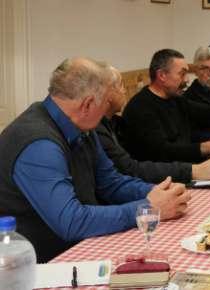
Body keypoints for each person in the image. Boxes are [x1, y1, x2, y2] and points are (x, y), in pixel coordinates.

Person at [0, 57, 191, 262]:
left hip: (81, 247)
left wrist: (156, 193)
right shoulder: (38, 143)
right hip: (37, 265)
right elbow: (71, 222)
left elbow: (111, 183)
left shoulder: (81, 125)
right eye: (106, 102)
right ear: (88, 104)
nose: (105, 114)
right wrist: (148, 207)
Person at [122, 49, 210, 163]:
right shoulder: (140, 108)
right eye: (182, 74)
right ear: (162, 76)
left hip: (187, 169)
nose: (187, 80)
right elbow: (163, 152)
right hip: (162, 183)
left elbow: (209, 111)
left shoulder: (175, 99)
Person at [96, 65, 210, 184]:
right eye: (120, 85)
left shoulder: (114, 123)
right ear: (106, 93)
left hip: (156, 179)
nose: (124, 91)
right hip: (150, 181)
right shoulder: (100, 129)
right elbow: (132, 168)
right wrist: (194, 169)